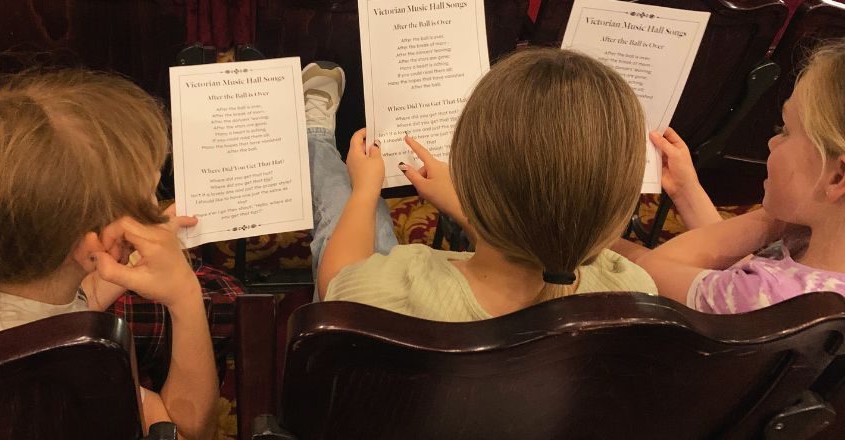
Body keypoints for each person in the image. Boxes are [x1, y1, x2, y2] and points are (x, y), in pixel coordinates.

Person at [0, 70, 218, 440]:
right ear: (94, 244)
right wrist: (185, 296)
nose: (156, 207)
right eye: (151, 193)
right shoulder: (74, 370)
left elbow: (60, 306)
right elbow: (184, 430)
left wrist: (114, 264)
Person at [304, 48, 657, 322]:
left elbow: (336, 280)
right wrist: (468, 210)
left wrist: (366, 191)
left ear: (469, 177)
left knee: (353, 210)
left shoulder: (396, 288)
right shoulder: (634, 292)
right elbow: (543, 239)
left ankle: (315, 136)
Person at [612, 41, 845, 314]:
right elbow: (736, 271)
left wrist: (774, 217)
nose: (772, 142)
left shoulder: (769, 300)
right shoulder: (811, 261)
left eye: (785, 130)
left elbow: (650, 270)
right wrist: (686, 191)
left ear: (837, 177)